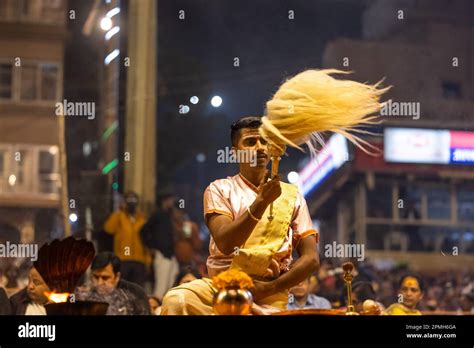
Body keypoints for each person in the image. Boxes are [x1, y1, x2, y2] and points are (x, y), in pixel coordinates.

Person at [161, 116, 319, 315]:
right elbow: (226, 243)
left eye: (264, 141)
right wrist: (261, 202)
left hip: (270, 293)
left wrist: (270, 288)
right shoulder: (219, 189)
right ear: (235, 153)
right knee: (177, 300)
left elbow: (311, 258)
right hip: (221, 289)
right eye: (250, 142)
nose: (260, 147)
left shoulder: (292, 196)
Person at [104, 191, 151, 287]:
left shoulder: (142, 219)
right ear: (125, 202)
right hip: (123, 259)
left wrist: (148, 261)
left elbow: (147, 241)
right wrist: (118, 213)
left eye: (134, 200)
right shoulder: (119, 216)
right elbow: (108, 229)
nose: (131, 202)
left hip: (139, 260)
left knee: (137, 288)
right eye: (129, 200)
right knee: (122, 287)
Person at [141, 194, 179, 299]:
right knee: (161, 288)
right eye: (170, 200)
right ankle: (156, 310)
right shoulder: (157, 214)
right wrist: (151, 247)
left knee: (172, 285)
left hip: (171, 255)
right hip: (162, 254)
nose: (172, 203)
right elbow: (143, 230)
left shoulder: (168, 215)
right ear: (164, 201)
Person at [172, 203, 203, 267]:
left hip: (188, 260)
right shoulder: (173, 224)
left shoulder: (188, 225)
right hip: (175, 261)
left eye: (177, 212)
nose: (174, 214)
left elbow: (196, 244)